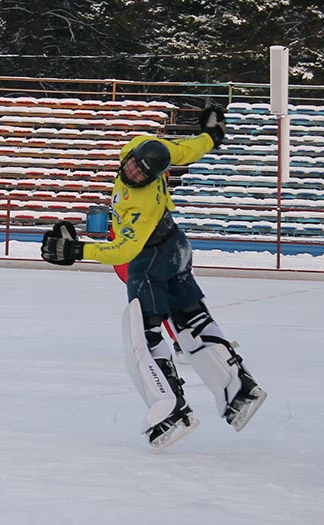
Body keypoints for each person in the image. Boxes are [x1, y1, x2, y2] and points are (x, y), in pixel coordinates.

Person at [40, 106, 267, 451]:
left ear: (154, 176)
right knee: (192, 319)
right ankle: (239, 386)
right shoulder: (147, 146)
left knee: (142, 336)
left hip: (150, 258)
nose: (132, 172)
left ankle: (170, 408)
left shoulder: (142, 204)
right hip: (176, 246)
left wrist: (76, 251)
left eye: (141, 173)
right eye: (132, 164)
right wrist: (212, 136)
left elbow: (123, 252)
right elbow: (186, 150)